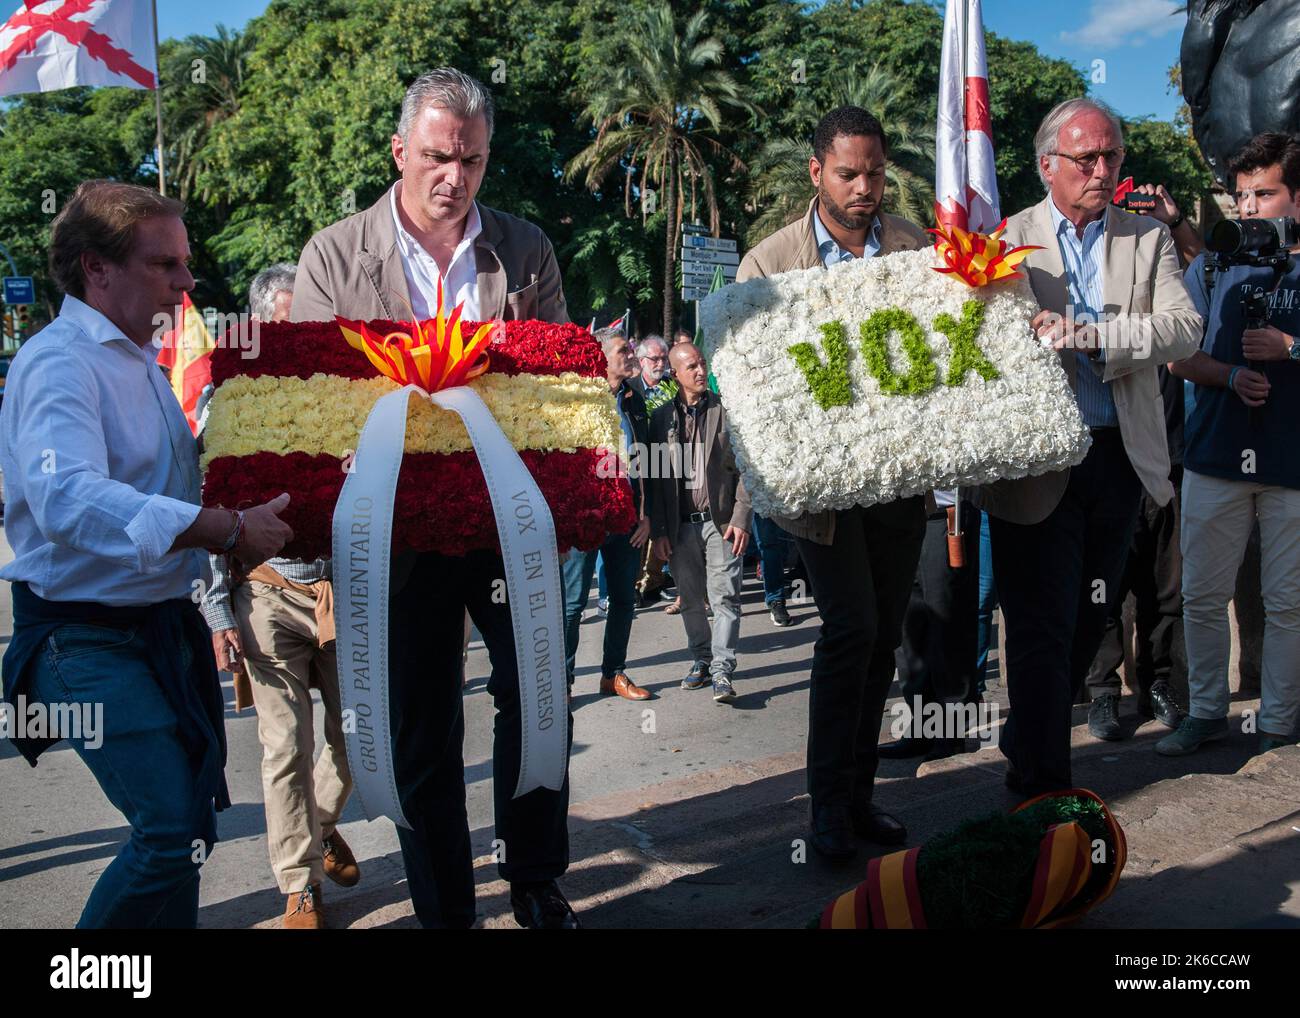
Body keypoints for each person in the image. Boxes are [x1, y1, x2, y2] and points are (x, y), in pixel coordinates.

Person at [291, 68, 578, 928]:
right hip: (393, 533)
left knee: (537, 696)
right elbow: (310, 398)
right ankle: (446, 909)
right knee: (420, 725)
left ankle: (533, 873)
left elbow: (561, 386)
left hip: (507, 520)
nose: (454, 178)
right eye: (436, 159)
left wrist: (569, 501)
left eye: (473, 160)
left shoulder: (525, 250)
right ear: (398, 151)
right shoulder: (334, 256)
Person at [0, 180, 292, 928]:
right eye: (166, 264)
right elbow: (67, 499)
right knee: (168, 832)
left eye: (184, 263)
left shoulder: (140, 358)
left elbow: (168, 488)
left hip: (155, 627)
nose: (188, 282)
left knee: (185, 833)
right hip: (82, 637)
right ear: (97, 269)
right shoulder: (58, 362)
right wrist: (224, 528)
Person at [973, 98, 1202, 795]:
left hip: (1119, 459)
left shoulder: (1147, 239)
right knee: (1039, 625)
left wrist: (1099, 334)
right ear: (1048, 165)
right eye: (1087, 159)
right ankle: (1045, 783)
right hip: (1037, 462)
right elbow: (977, 345)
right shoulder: (1005, 238)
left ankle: (1030, 736)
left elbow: (1184, 328)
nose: (1103, 170)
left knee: (1088, 619)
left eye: (1113, 157)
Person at [736, 106, 929, 862]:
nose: (865, 187)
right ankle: (823, 813)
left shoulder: (915, 247)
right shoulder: (767, 263)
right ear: (816, 172)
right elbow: (749, 381)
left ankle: (857, 802)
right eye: (849, 173)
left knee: (881, 637)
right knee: (850, 629)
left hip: (899, 477)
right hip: (818, 493)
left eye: (876, 172)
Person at [201, 268, 358, 930]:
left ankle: (319, 828)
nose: (304, 332)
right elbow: (202, 503)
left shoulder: (347, 389)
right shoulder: (227, 399)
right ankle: (297, 883)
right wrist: (215, 610)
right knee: (282, 744)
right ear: (263, 326)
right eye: (292, 320)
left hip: (342, 587)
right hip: (266, 590)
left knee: (359, 735)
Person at [1160, 132, 1300, 756]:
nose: (1247, 209)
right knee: (1202, 595)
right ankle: (1208, 713)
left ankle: (1278, 724)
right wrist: (1232, 375)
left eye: (1264, 194)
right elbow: (1176, 354)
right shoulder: (1211, 263)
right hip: (1215, 458)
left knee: (1287, 602)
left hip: (1292, 465)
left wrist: (1291, 349)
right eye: (1241, 195)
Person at [646, 343, 751, 703]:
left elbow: (747, 471)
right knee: (690, 598)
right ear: (675, 374)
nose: (700, 371)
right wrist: (659, 531)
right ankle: (701, 660)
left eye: (702, 363)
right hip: (680, 527)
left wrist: (741, 517)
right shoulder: (661, 418)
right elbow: (656, 480)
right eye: (691, 366)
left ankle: (723, 670)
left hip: (721, 523)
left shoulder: (727, 412)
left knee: (726, 597)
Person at [561, 328, 652, 701]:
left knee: (624, 600)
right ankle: (562, 682)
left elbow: (648, 462)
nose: (631, 355)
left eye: (631, 348)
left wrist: (647, 516)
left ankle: (612, 674)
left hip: (627, 520)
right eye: (623, 350)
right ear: (601, 358)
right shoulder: (579, 400)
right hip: (586, 519)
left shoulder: (634, 400)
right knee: (573, 603)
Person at [880, 491, 982, 761]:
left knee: (947, 624)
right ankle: (923, 728)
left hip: (944, 511)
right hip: (899, 511)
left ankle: (950, 733)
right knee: (909, 630)